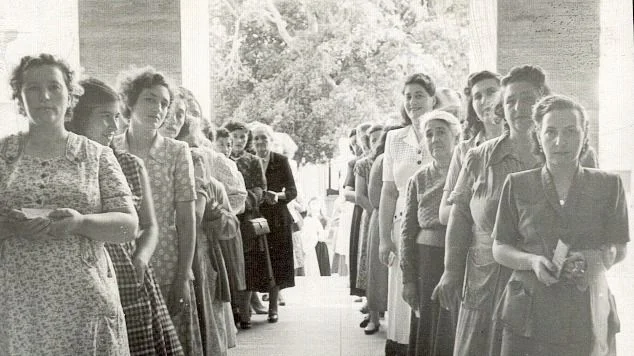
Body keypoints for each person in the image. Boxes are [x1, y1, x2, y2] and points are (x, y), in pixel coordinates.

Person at [0, 53, 138, 354]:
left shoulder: (96, 155)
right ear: (20, 98)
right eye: (32, 89)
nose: (44, 96)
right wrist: (9, 227)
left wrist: (81, 223)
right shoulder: (3, 154)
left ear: (70, 95)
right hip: (17, 302)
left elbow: (129, 226)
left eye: (54, 86)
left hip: (84, 300)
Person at [432, 65, 566, 356]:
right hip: (485, 279)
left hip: (541, 279)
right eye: (510, 101)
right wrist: (451, 271)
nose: (519, 108)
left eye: (528, 99)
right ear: (501, 109)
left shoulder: (564, 155)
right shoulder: (479, 157)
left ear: (543, 102)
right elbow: (460, 216)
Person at [491, 95, 628, 356]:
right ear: (538, 136)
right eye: (550, 132)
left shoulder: (609, 185)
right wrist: (531, 261)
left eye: (570, 131)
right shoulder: (517, 184)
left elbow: (619, 248)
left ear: (584, 133)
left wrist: (594, 259)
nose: (560, 142)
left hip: (585, 312)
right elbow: (500, 247)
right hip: (527, 316)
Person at [68, 77, 184, 356]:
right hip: (81, 275)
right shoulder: (68, 166)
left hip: (128, 273)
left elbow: (150, 226)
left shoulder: (130, 165)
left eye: (117, 117)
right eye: (105, 117)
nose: (115, 126)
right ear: (79, 118)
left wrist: (142, 257)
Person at [112, 66, 204, 355]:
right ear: (130, 102)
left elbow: (187, 220)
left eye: (165, 103)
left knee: (170, 343)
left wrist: (183, 275)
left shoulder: (177, 152)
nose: (159, 109)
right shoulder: (110, 149)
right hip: (121, 265)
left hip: (167, 263)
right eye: (150, 99)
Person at [379, 73, 437, 355]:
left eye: (419, 96)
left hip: (432, 227)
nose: (413, 102)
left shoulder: (441, 133)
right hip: (401, 225)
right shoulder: (394, 138)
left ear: (433, 100)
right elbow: (388, 191)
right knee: (401, 296)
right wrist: (383, 239)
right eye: (408, 96)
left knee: (425, 292)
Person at [401, 110, 461, 356]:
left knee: (454, 327)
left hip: (459, 259)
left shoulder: (467, 173)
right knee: (428, 326)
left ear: (455, 137)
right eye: (429, 134)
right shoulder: (419, 179)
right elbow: (407, 232)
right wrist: (408, 279)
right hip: (426, 262)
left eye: (441, 132)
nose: (435, 139)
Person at [439, 70, 504, 226]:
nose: (484, 101)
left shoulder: (520, 142)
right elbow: (444, 214)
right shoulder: (464, 150)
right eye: (477, 96)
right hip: (476, 242)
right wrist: (482, 206)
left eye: (491, 92)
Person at [223, 120, 268, 329]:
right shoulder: (220, 159)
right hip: (226, 217)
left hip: (247, 218)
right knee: (228, 263)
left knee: (248, 264)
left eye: (243, 136)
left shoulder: (252, 161)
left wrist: (245, 200)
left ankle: (245, 313)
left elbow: (261, 189)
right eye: (235, 136)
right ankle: (231, 311)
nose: (239, 141)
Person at [251, 124, 298, 322]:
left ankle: (273, 307)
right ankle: (254, 304)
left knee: (277, 260)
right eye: (256, 139)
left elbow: (292, 191)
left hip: (277, 218)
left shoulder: (280, 161)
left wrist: (277, 196)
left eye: (264, 138)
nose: (260, 142)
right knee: (259, 260)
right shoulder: (249, 162)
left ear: (270, 140)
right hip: (256, 217)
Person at [364, 124, 402, 336]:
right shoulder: (381, 161)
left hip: (403, 218)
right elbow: (374, 196)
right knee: (377, 271)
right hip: (383, 217)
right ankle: (373, 317)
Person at [354, 123, 384, 334]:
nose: (377, 142)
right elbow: (359, 195)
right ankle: (373, 316)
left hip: (394, 217)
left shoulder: (393, 159)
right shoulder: (364, 164)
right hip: (373, 215)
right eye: (372, 139)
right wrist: (377, 212)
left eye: (380, 138)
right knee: (371, 265)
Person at [348, 122, 372, 299]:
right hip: (361, 209)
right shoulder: (356, 163)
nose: (360, 145)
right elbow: (347, 192)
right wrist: (360, 196)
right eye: (356, 142)